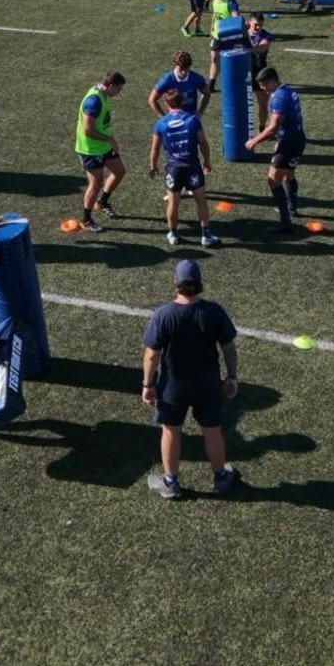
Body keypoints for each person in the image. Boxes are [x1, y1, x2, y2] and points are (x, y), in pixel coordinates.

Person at [141, 258, 239, 498]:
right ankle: (220, 477)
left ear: (176, 283)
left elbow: (152, 355)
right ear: (199, 283)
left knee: (171, 430)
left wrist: (147, 384)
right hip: (207, 384)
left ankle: (171, 482)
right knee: (212, 430)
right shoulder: (214, 312)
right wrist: (232, 377)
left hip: (173, 387)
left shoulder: (163, 315)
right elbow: (229, 348)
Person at [149, 90, 219, 248]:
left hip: (173, 168)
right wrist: (207, 161)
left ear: (166, 104)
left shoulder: (161, 123)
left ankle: (173, 234)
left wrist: (153, 165)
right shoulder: (193, 120)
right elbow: (203, 142)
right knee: (201, 201)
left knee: (173, 203)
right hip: (192, 166)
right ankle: (205, 235)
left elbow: (155, 149)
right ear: (182, 102)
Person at [244, 66, 305, 232]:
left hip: (288, 143)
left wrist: (253, 142)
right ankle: (292, 208)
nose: (263, 89)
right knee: (289, 174)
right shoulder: (290, 91)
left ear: (272, 80)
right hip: (298, 139)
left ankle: (285, 223)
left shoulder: (278, 98)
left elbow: (274, 125)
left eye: (264, 85)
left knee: (273, 181)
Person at [75, 70, 126, 232]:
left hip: (103, 146)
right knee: (95, 184)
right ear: (110, 85)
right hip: (91, 149)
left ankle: (102, 202)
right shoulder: (93, 101)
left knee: (119, 171)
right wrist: (110, 139)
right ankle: (86, 219)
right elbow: (87, 130)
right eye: (118, 89)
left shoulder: (103, 95)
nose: (119, 93)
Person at [203, 0, 240, 92]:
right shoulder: (215, 0)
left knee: (229, 60)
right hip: (217, 35)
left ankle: (233, 82)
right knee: (214, 58)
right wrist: (211, 28)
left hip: (228, 36)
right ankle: (212, 83)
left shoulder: (230, 2)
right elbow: (215, 15)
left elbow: (236, 18)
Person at [149, 50, 210, 118]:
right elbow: (152, 99)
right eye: (181, 69)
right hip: (174, 119)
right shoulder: (167, 80)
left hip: (190, 119)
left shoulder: (196, 78)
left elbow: (207, 93)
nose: (183, 72)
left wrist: (200, 112)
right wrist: (163, 118)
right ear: (175, 65)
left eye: (186, 68)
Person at [245, 11, 274, 126]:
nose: (258, 27)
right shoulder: (241, 34)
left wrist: (244, 49)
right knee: (242, 104)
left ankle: (262, 127)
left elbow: (261, 49)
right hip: (244, 73)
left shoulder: (266, 35)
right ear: (248, 22)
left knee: (262, 104)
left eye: (261, 25)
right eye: (256, 24)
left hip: (260, 74)